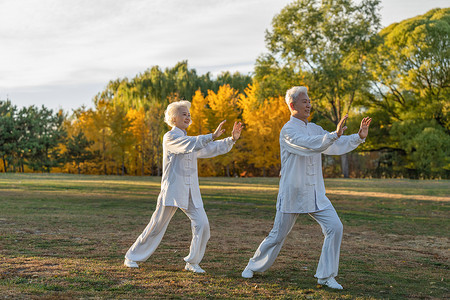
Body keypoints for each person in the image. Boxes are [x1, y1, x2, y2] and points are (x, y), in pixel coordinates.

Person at [241, 86, 371, 289]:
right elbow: (309, 144)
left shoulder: (316, 129)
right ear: (292, 105)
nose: (309, 104)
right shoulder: (288, 130)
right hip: (292, 193)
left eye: (309, 101)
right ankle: (253, 266)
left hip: (316, 193)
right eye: (304, 101)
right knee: (277, 235)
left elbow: (332, 145)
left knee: (335, 227)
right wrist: (333, 135)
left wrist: (358, 137)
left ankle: (326, 276)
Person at [124, 100, 243, 273]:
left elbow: (210, 148)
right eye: (183, 114)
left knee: (202, 224)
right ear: (173, 118)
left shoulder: (191, 140)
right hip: (171, 191)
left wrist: (231, 139)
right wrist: (211, 135)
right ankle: (131, 257)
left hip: (190, 192)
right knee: (156, 226)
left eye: (189, 114)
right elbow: (190, 145)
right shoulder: (170, 137)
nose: (188, 116)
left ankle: (192, 262)